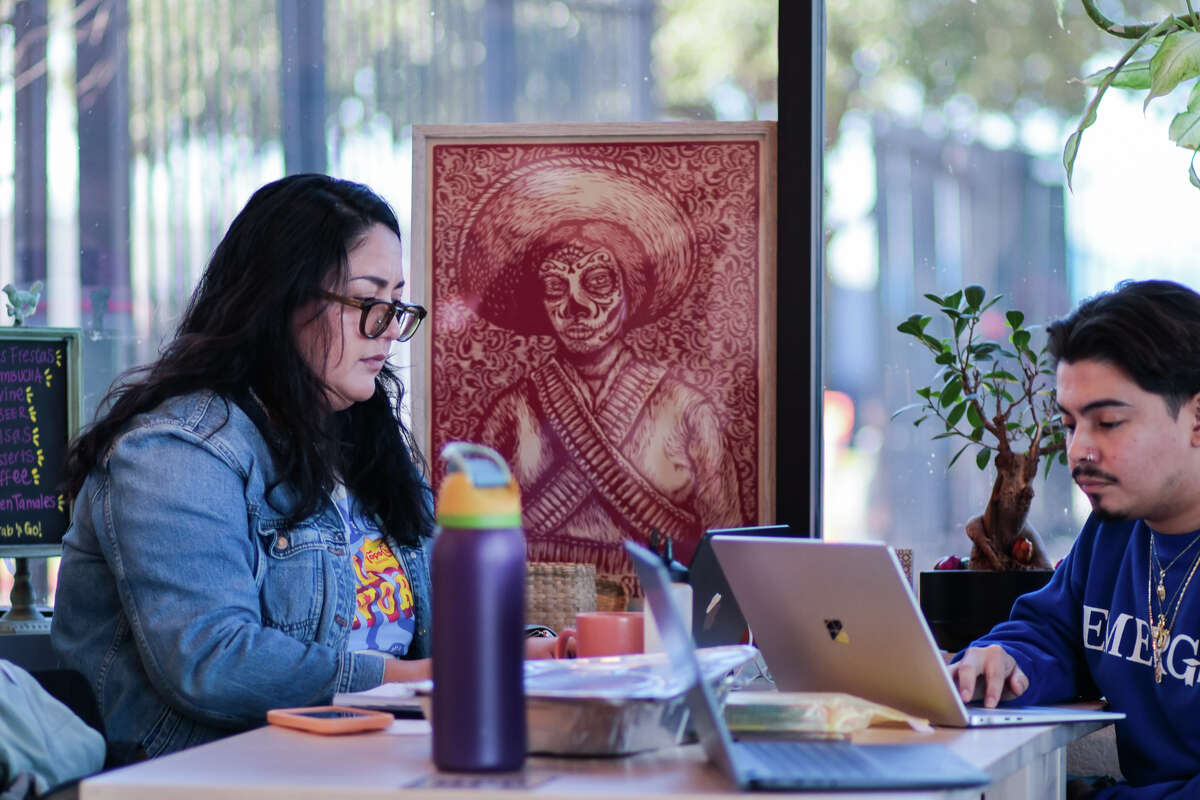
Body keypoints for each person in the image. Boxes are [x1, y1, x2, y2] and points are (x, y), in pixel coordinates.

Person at [50, 174, 553, 763]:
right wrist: (409, 677)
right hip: (211, 777)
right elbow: (214, 661)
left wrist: (531, 652)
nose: (391, 329)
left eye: (397, 304)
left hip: (363, 761)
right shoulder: (176, 452)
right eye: (370, 302)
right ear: (285, 300)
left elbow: (444, 631)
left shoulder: (364, 436)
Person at [949, 279, 1200, 797]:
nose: (1079, 451)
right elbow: (1054, 632)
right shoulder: (1114, 530)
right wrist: (1002, 661)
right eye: (1068, 424)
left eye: (1108, 422)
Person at [459, 159, 747, 600]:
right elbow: (471, 556)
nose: (577, 306)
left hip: (656, 626)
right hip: (534, 633)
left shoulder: (688, 411)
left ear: (630, 291)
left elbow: (728, 562)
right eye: (556, 288)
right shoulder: (511, 412)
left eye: (597, 281)